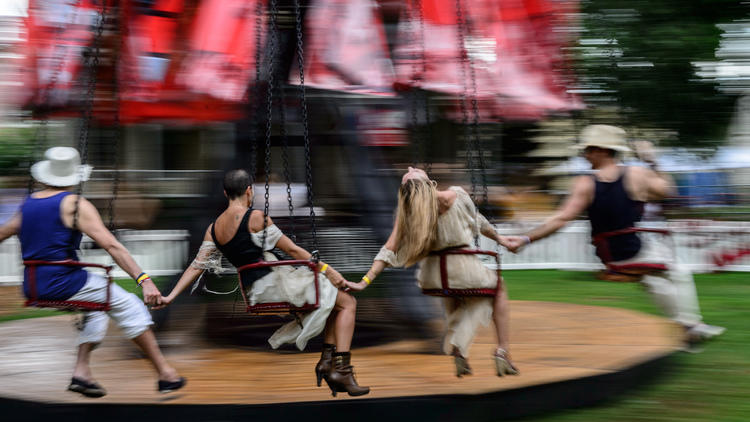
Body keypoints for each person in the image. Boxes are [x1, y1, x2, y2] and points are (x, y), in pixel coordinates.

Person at [504, 124, 725, 347]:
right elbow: (667, 191)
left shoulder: (585, 183)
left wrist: (526, 239)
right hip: (633, 249)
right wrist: (652, 160)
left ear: (602, 150)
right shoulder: (637, 174)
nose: (585, 155)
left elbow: (562, 218)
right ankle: (691, 326)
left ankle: (686, 330)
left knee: (656, 282)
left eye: (588, 150)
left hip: (610, 253)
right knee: (679, 272)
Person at [156, 169, 369, 397]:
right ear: (249, 190)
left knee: (333, 302)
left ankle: (327, 362)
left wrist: (170, 296)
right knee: (348, 302)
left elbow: (196, 266)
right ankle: (343, 370)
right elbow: (292, 249)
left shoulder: (214, 228)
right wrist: (328, 270)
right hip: (274, 284)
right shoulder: (255, 217)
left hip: (256, 291)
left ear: (225, 192)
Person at [0, 147, 185, 398]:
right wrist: (144, 281)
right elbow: (112, 245)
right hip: (64, 281)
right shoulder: (75, 204)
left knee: (98, 306)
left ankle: (82, 372)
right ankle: (165, 374)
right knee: (129, 305)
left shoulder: (28, 205)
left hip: (32, 284)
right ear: (73, 176)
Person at [346, 167, 518, 377]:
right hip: (463, 267)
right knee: (498, 289)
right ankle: (503, 350)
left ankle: (458, 350)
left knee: (458, 296)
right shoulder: (456, 195)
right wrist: (500, 239)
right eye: (410, 172)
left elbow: (389, 248)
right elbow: (479, 221)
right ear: (428, 183)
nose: (410, 167)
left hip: (433, 275)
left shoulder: (408, 211)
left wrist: (365, 280)